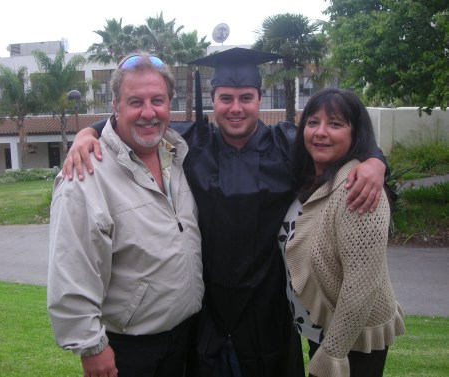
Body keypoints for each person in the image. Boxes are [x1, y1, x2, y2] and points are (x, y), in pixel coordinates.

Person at [62, 48, 387, 377]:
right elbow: (139, 119)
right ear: (213, 99)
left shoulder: (288, 144)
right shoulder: (189, 142)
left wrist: (375, 160)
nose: (235, 108)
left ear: (259, 99)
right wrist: (86, 133)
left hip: (269, 311)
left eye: (246, 97)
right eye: (225, 98)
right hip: (207, 316)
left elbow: (338, 142)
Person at [47, 54, 204, 377]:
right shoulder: (86, 175)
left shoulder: (176, 155)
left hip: (184, 337)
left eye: (157, 100)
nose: (148, 112)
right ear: (115, 107)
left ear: (169, 105)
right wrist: (91, 346)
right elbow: (72, 267)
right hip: (129, 349)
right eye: (136, 101)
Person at [283, 88, 405, 377]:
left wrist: (332, 353)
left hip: (352, 340)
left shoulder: (357, 189)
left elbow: (361, 289)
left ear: (355, 133)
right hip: (320, 326)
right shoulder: (313, 177)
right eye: (313, 122)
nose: (320, 132)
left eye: (335, 124)